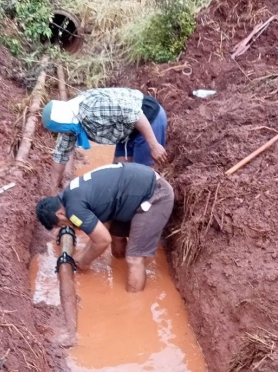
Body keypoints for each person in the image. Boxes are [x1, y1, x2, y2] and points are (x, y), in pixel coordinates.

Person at [36, 162, 174, 292]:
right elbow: (99, 231)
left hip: (154, 195)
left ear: (60, 214)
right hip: (131, 193)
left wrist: (84, 261)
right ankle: (126, 270)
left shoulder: (73, 210)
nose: (67, 225)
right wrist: (82, 254)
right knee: (117, 244)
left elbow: (102, 240)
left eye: (62, 224)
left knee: (134, 259)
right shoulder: (69, 195)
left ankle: (136, 302)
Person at [42, 87, 168, 193]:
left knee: (141, 180)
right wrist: (53, 192)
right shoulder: (70, 124)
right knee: (116, 179)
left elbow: (135, 113)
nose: (63, 132)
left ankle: (153, 206)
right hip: (126, 131)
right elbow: (60, 156)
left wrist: (153, 144)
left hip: (148, 119)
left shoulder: (93, 109)